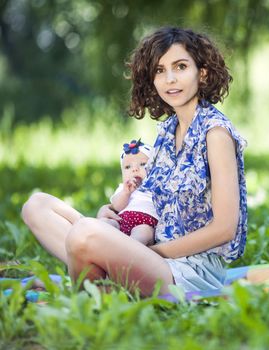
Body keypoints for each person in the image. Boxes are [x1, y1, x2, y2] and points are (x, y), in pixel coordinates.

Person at [21, 26, 248, 296]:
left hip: (187, 270)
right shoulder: (167, 132)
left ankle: (93, 292)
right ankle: (106, 280)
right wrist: (113, 212)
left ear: (203, 72)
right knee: (37, 206)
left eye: (180, 66)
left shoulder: (216, 134)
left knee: (84, 234)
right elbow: (148, 200)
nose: (170, 79)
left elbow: (224, 229)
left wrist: (148, 252)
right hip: (145, 248)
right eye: (160, 70)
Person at [102, 139, 158, 246]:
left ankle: (129, 250)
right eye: (128, 167)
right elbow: (117, 207)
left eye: (142, 164)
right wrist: (125, 193)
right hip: (122, 221)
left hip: (146, 223)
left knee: (142, 233)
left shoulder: (156, 186)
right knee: (106, 224)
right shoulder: (123, 188)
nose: (135, 169)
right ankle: (103, 245)